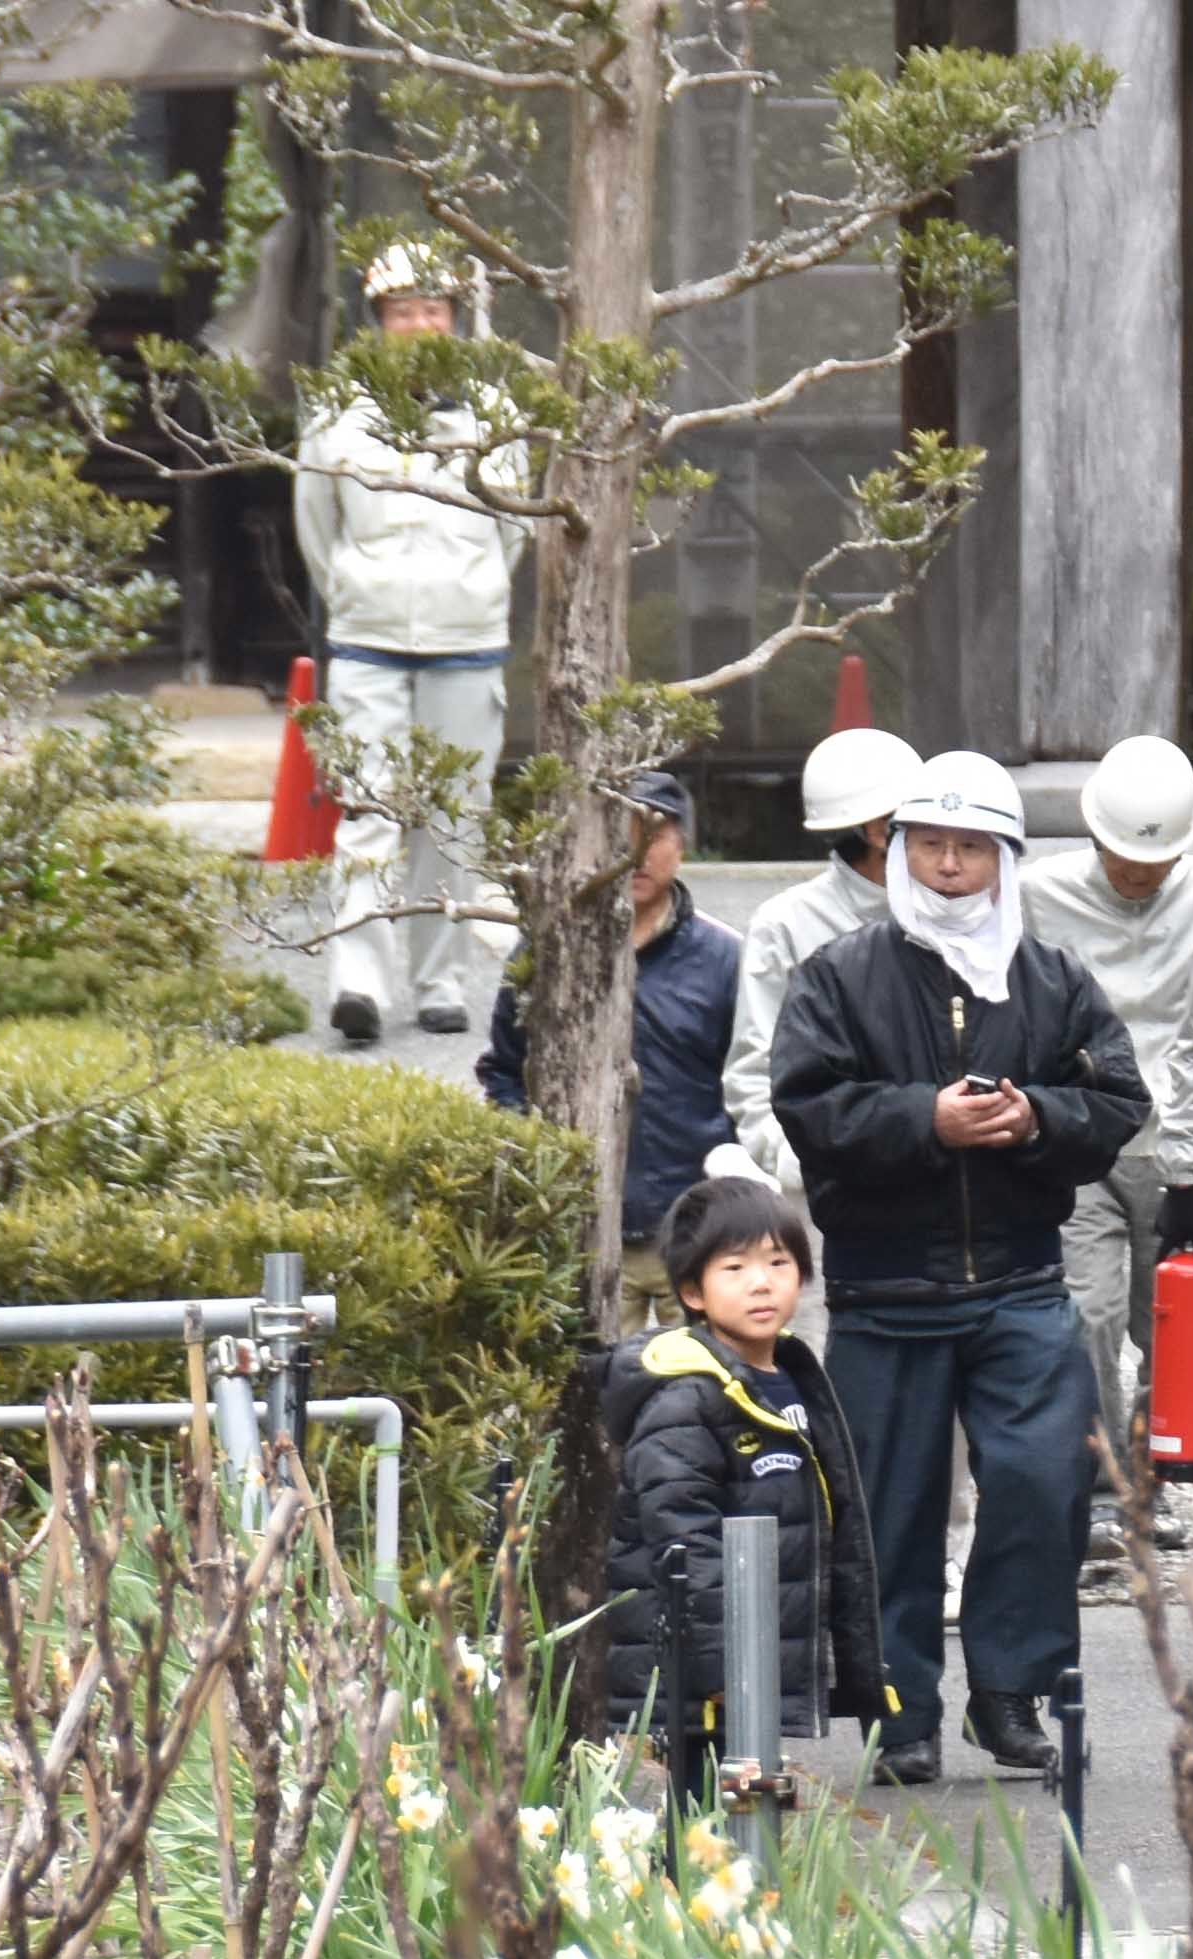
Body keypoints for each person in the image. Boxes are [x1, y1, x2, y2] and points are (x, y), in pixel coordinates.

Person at [770, 749, 1149, 1784]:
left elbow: (1117, 1102)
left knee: (1041, 1482)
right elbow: (806, 1107)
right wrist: (924, 1119)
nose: (947, 864)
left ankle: (1007, 1691)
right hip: (883, 1289)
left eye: (970, 846)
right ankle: (901, 1714)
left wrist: (1034, 1117)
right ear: (895, 851)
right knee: (888, 1508)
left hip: (1022, 1280)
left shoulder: (1052, 976)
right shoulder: (839, 974)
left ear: (1004, 858)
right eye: (928, 843)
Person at [295, 240, 531, 1046]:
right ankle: (358, 982)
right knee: (366, 810)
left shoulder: (494, 411)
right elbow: (316, 526)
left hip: (467, 639)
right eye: (403, 311)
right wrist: (363, 593)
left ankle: (438, 983)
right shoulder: (337, 412)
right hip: (367, 640)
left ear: (455, 318)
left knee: (455, 818)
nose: (420, 323)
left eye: (434, 309)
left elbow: (512, 528)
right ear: (379, 321)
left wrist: (471, 595)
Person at [600, 1175, 893, 1816]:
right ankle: (702, 1899)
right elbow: (683, 1535)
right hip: (704, 1669)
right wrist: (729, 1668)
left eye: (778, 1264)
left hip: (751, 1654)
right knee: (704, 1811)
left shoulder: (786, 1377)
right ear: (691, 1292)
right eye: (734, 1268)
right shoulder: (686, 1396)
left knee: (748, 1804)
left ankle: (742, 1898)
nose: (761, 1283)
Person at [1022, 736, 1193, 1561]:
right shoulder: (1038, 898)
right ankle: (1102, 1489)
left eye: (1156, 858)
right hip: (1081, 1135)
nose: (1140, 872)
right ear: (1093, 837)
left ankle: (1158, 1483)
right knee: (1086, 1311)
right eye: (1125, 856)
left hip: (1185, 1136)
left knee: (1180, 1328)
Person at [478, 771, 745, 1333]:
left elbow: (749, 1082)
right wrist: (535, 1168)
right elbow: (504, 1070)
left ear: (683, 843)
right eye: (618, 837)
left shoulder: (725, 958)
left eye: (654, 835)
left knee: (705, 1397)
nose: (636, 855)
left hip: (697, 1226)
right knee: (591, 1400)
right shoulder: (547, 951)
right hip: (584, 1226)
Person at [727, 725, 922, 1196]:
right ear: (879, 829)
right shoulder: (786, 924)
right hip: (830, 1193)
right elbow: (755, 1069)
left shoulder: (966, 911)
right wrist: (797, 1160)